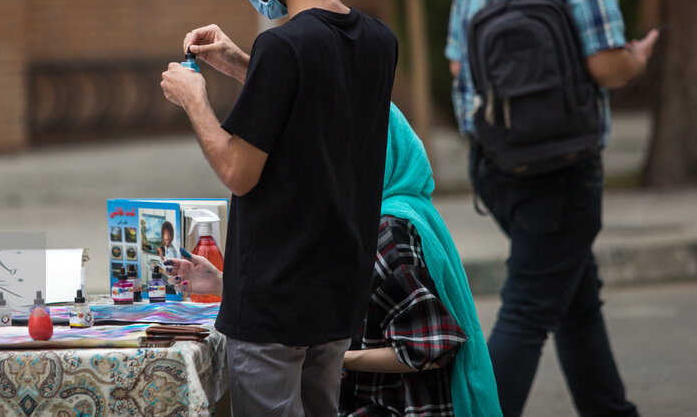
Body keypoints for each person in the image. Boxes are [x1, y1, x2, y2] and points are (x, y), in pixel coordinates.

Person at [160, 0, 398, 416]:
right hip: (338, 295)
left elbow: (237, 172)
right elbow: (319, 105)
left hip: (275, 302)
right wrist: (243, 64)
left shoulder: (284, 45)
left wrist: (195, 100)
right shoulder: (378, 41)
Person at [445, 0, 656, 416]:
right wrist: (635, 59)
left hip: (494, 165)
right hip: (560, 173)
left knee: (576, 301)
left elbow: (461, 65)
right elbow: (604, 66)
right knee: (529, 310)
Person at [165, 104, 503, 417]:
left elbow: (430, 349)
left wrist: (337, 357)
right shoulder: (359, 219)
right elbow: (312, 293)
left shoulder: (386, 234)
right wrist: (223, 283)